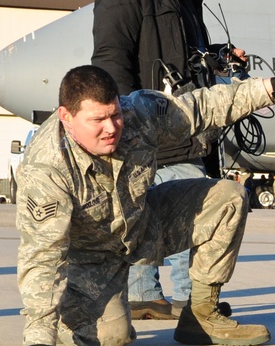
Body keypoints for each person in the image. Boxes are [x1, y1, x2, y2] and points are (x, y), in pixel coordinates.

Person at [5, 59, 275, 346]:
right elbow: (42, 254)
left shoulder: (138, 113)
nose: (111, 128)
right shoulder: (46, 169)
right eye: (98, 120)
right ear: (66, 117)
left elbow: (200, 107)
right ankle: (75, 312)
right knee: (112, 340)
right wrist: (39, 334)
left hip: (140, 226)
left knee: (229, 198)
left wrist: (270, 88)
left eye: (115, 114)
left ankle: (201, 317)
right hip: (90, 260)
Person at [91, 0, 240, 320]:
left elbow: (176, 55)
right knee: (196, 216)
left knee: (149, 215)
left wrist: (215, 57)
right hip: (156, 130)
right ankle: (193, 303)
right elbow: (111, 61)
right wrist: (128, 126)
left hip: (183, 129)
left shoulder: (185, 3)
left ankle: (144, 294)